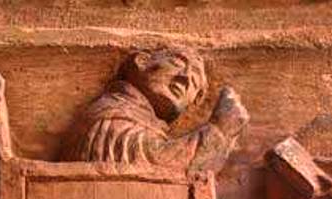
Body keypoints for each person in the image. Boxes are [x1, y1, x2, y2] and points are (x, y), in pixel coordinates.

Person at [58, 46, 248, 169]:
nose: (185, 78)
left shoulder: (144, 120)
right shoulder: (113, 112)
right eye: (178, 63)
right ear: (142, 61)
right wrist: (219, 131)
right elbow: (152, 166)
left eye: (195, 82)